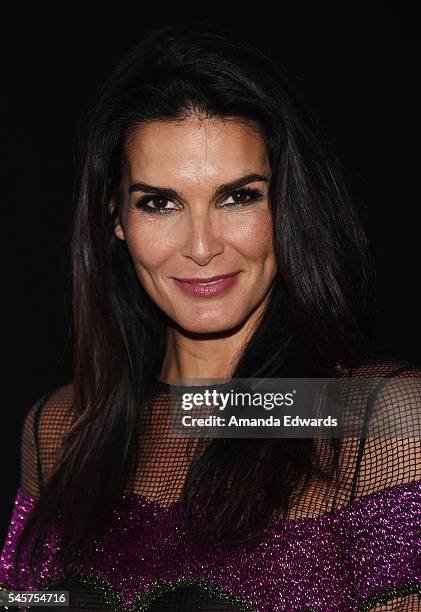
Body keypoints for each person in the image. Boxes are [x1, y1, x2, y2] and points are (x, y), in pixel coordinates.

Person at [0, 21, 420, 612]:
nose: (201, 246)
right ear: (116, 218)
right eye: (160, 202)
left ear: (287, 205)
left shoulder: (378, 421)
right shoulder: (60, 429)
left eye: (237, 197)